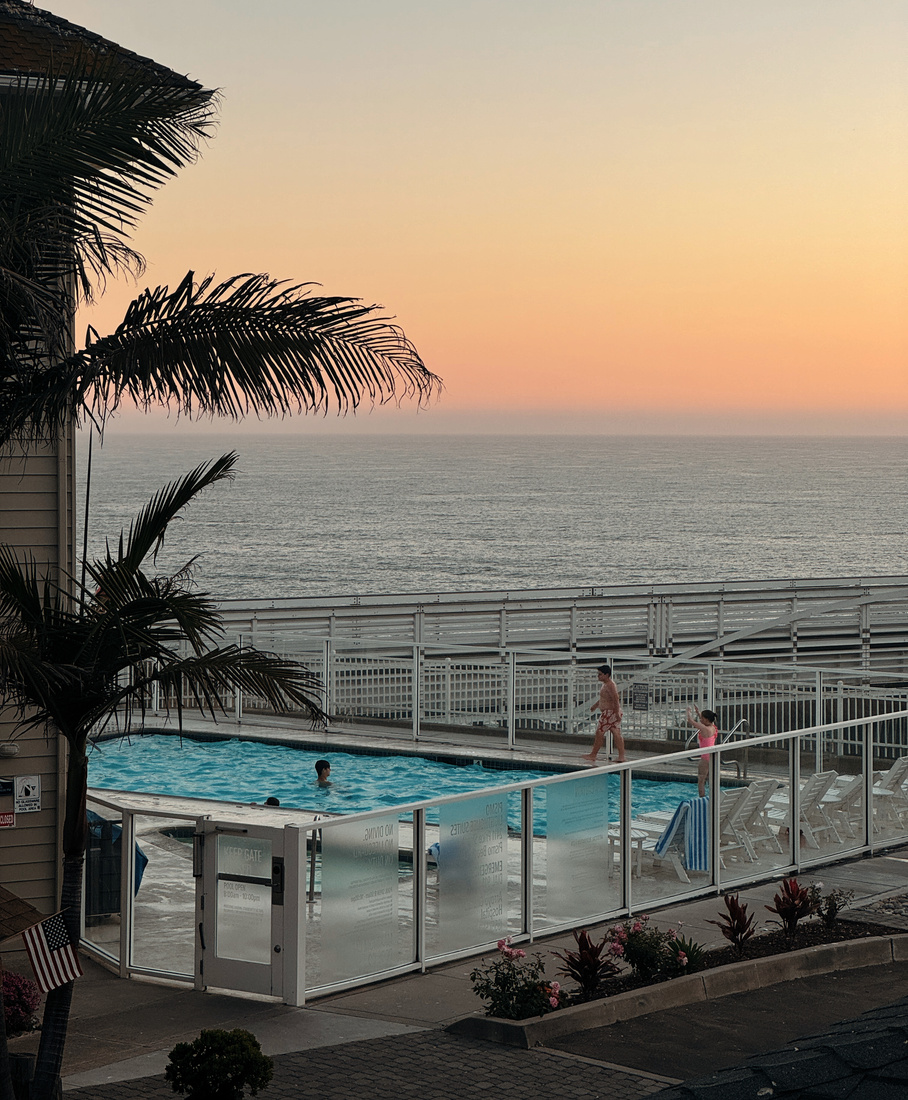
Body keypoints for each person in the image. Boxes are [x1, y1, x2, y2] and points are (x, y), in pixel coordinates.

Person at [582, 664, 625, 763]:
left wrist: (616, 712)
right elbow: (604, 698)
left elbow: (615, 699)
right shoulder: (605, 684)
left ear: (606, 675)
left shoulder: (610, 685)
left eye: (600, 674)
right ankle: (621, 756)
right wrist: (595, 706)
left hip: (610, 713)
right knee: (616, 733)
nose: (598, 676)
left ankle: (593, 754)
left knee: (600, 732)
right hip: (610, 712)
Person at [687, 705, 719, 797]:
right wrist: (698, 712)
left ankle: (702, 798)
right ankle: (712, 797)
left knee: (701, 780)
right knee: (710, 779)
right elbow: (705, 720)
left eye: (702, 718)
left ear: (706, 719)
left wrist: (688, 711)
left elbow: (691, 721)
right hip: (712, 756)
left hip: (705, 758)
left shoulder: (704, 729)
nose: (700, 719)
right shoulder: (713, 727)